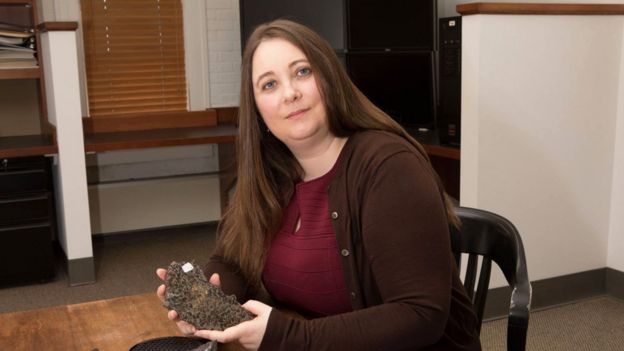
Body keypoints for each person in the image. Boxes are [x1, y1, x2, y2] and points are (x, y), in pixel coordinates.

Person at [157, 19, 481, 351]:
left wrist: (288, 338)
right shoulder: (270, 174)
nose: (290, 93)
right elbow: (232, 260)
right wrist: (206, 300)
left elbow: (421, 315)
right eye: (269, 85)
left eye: (302, 72)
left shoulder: (389, 168)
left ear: (329, 77)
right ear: (257, 110)